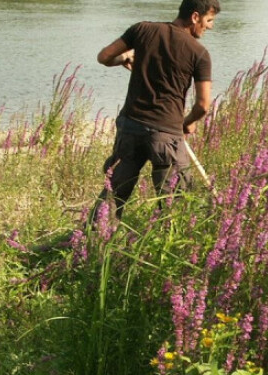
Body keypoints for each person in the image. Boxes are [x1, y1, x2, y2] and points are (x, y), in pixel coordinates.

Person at [92, 0, 220, 222]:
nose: (210, 27)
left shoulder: (142, 29)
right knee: (175, 204)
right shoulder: (199, 54)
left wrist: (124, 58)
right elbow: (203, 106)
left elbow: (104, 57)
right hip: (167, 137)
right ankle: (171, 249)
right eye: (209, 20)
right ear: (195, 17)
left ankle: (92, 243)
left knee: (114, 194)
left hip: (130, 127)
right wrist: (187, 122)